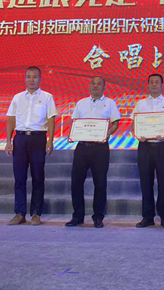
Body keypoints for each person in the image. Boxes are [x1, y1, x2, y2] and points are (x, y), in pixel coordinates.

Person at [66, 76, 121, 228]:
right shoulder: (81, 103)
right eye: (93, 83)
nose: (95, 86)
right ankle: (77, 216)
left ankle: (98, 217)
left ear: (104, 87)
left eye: (99, 84)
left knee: (100, 183)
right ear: (89, 86)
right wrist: (73, 134)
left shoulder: (110, 103)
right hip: (82, 147)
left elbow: (116, 123)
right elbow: (75, 123)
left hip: (100, 148)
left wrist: (107, 133)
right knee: (76, 183)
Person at [5, 66, 57, 226]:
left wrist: (50, 140)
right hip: (20, 139)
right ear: (25, 79)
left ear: (40, 79)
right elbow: (11, 119)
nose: (31, 80)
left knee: (38, 177)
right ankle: (19, 213)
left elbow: (51, 119)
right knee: (19, 178)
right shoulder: (17, 97)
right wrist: (8, 141)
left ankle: (36, 213)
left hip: (38, 138)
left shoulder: (47, 97)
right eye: (28, 76)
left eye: (35, 77)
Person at [131, 73, 164, 229]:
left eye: (157, 82)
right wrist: (137, 135)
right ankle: (147, 217)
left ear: (162, 85)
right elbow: (134, 124)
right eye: (151, 82)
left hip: (162, 146)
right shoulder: (140, 104)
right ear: (148, 85)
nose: (154, 84)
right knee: (145, 183)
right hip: (145, 146)